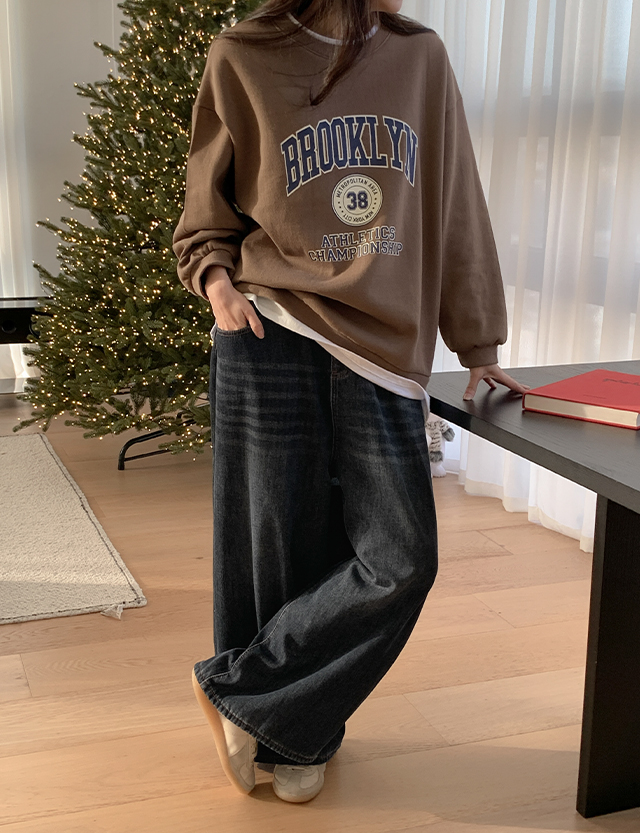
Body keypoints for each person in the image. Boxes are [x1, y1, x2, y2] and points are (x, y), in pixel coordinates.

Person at [173, 0, 529, 804]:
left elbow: (455, 200)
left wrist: (480, 341)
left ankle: (243, 694)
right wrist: (217, 282)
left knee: (400, 558)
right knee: (273, 543)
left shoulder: (419, 57)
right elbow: (206, 208)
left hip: (384, 348)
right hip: (270, 325)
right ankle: (295, 731)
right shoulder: (242, 54)